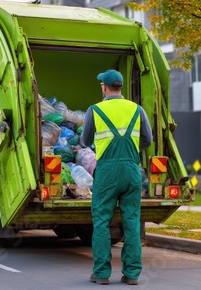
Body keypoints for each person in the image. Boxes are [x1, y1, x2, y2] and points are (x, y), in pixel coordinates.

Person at [80, 69, 152, 286]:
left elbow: (84, 140)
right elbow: (147, 140)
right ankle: (131, 274)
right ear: (120, 87)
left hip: (107, 172)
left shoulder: (95, 110)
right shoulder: (137, 110)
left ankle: (101, 274)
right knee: (131, 221)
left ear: (104, 87)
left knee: (101, 221)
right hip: (131, 170)